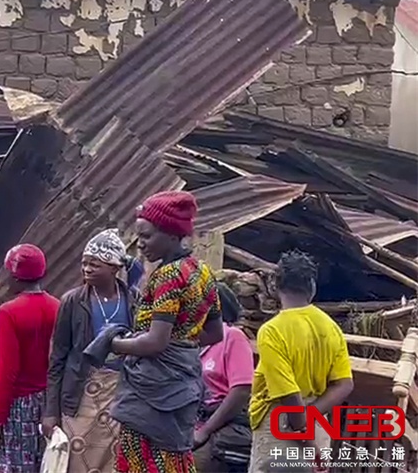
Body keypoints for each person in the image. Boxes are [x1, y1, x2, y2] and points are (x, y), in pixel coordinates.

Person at [109, 190, 225, 473]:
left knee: (142, 456)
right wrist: (182, 343)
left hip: (154, 388)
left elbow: (155, 342)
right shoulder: (202, 272)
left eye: (147, 236)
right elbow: (215, 333)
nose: (141, 245)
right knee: (172, 455)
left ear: (172, 235)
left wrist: (115, 343)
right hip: (183, 382)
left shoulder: (168, 276)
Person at [43, 228, 141, 473]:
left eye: (95, 264)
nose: (86, 269)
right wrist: (50, 411)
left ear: (114, 267)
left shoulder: (133, 299)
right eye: (84, 263)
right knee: (75, 461)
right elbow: (57, 358)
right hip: (80, 393)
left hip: (119, 393)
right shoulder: (73, 301)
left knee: (115, 462)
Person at [248, 250, 353, 473]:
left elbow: (288, 395)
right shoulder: (330, 327)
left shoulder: (272, 331)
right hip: (318, 420)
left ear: (275, 285)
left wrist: (304, 435)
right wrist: (311, 417)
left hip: (281, 424)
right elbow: (344, 384)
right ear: (312, 287)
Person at [0, 244, 60, 473]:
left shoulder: (9, 312)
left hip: (15, 407)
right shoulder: (56, 306)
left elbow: (6, 372)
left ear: (15, 277)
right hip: (44, 404)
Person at [194, 283, 254, 472]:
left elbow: (242, 389)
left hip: (219, 428)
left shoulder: (232, 337)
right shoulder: (193, 340)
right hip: (191, 426)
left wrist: (205, 431)